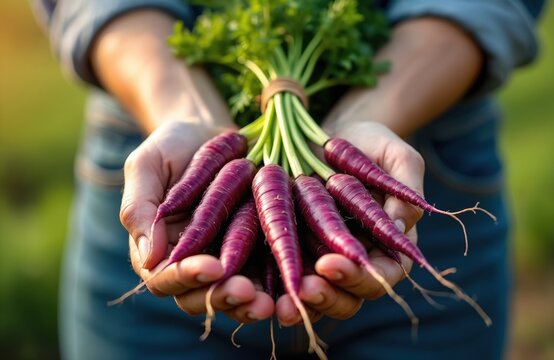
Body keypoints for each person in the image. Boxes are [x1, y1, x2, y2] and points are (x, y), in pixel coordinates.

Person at [34, 0, 543, 359]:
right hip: (159, 156)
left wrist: (378, 110)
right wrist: (180, 104)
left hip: (426, 142)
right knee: (186, 246)